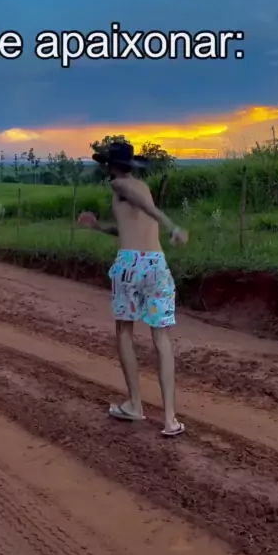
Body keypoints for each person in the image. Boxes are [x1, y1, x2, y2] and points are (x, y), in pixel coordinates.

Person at [77, 141, 188, 437]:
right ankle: (170, 419)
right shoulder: (142, 187)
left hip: (130, 266)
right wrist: (99, 227)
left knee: (124, 331)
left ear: (111, 165)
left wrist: (173, 227)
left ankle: (135, 405)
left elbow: (149, 209)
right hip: (156, 264)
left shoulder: (119, 185)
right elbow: (129, 227)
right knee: (161, 338)